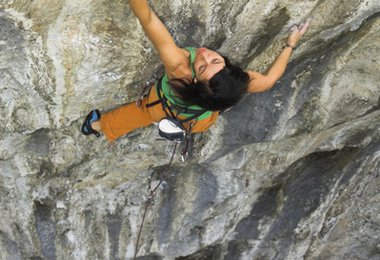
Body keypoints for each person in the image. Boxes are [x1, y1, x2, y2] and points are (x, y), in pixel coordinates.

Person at [81, 0, 310, 142]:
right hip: (199, 121)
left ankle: (94, 126)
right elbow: (269, 80)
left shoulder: (178, 67)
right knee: (192, 114)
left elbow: (148, 19)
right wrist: (290, 44)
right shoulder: (234, 84)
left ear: (194, 79)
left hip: (161, 108)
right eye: (215, 61)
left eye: (201, 67)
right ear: (228, 68)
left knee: (135, 116)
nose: (204, 55)